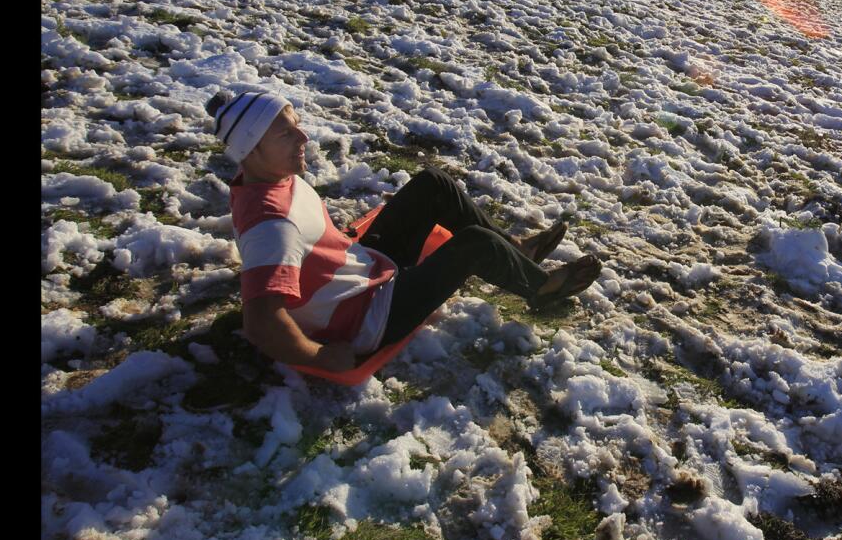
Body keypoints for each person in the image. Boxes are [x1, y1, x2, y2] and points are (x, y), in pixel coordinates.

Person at [205, 91, 601, 372]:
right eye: (285, 134)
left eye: (297, 126)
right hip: (369, 317)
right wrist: (317, 355)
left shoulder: (265, 175)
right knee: (474, 246)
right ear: (251, 150)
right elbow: (260, 321)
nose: (303, 138)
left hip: (361, 267)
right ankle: (540, 287)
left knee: (434, 185)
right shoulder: (272, 226)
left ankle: (517, 251)